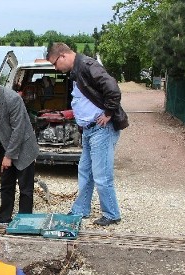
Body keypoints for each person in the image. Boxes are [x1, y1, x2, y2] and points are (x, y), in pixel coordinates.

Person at [46, 43, 129, 226]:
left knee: (102, 174)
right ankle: (81, 209)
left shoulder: (87, 66)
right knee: (85, 171)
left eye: (54, 63)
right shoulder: (76, 71)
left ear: (63, 56)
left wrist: (108, 113)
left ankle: (112, 213)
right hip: (90, 130)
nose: (55, 68)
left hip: (101, 130)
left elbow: (113, 89)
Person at [0, 75, 39, 224]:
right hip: (3, 146)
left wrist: (9, 156)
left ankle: (24, 221)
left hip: (23, 148)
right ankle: (4, 218)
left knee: (25, 189)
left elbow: (18, 130)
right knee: (6, 185)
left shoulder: (12, 99)